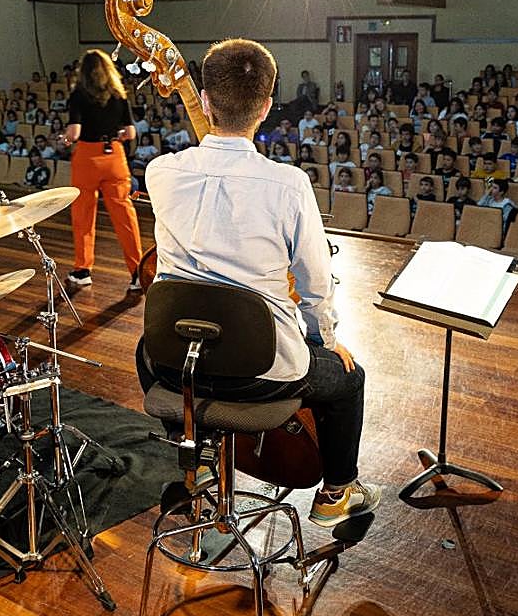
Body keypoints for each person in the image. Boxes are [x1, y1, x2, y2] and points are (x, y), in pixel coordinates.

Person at [141, 38, 379, 527]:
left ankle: (195, 457)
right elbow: (314, 285)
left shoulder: (160, 173)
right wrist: (325, 341)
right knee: (348, 378)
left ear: (204, 100)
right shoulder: (288, 185)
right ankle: (336, 493)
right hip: (260, 373)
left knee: (147, 346)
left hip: (178, 365)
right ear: (267, 107)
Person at [62, 50, 144, 291]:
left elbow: (75, 133)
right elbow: (130, 133)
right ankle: (138, 272)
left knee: (83, 214)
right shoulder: (119, 94)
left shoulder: (79, 95)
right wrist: (114, 133)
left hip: (87, 157)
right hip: (114, 156)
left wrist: (65, 138)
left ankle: (83, 270)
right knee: (125, 215)